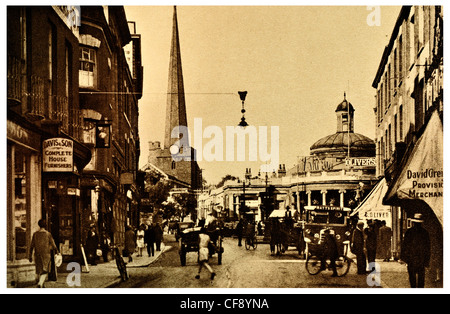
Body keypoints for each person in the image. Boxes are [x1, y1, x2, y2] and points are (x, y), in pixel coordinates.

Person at [401, 213, 430, 288]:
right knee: (421, 279)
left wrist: (404, 258)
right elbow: (427, 248)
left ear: (413, 222)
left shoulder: (409, 232)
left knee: (412, 278)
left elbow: (405, 246)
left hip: (411, 259)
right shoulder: (425, 233)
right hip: (421, 259)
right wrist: (427, 261)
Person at [29, 219, 59, 288]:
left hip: (37, 254)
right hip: (46, 255)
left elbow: (31, 246)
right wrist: (57, 251)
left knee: (40, 269)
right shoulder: (48, 234)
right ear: (45, 225)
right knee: (45, 270)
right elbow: (53, 245)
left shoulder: (35, 234)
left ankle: (42, 284)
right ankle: (40, 283)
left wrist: (30, 255)